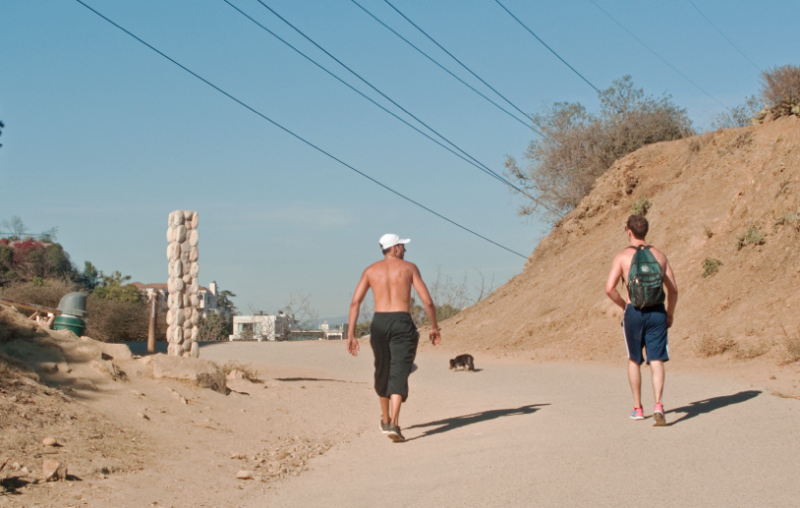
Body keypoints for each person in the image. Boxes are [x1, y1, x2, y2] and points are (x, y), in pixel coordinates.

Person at [347, 234, 441, 442]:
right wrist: (434, 327)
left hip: (379, 323)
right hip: (401, 322)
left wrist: (351, 334)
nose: (405, 251)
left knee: (382, 369)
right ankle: (394, 424)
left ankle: (385, 418)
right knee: (399, 371)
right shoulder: (409, 268)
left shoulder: (370, 271)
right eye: (403, 247)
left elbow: (355, 303)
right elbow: (428, 302)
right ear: (395, 248)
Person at [605, 215, 678, 426]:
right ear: (645, 231)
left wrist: (624, 306)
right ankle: (658, 404)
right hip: (657, 312)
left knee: (634, 359)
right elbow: (673, 289)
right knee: (656, 359)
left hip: (634, 312)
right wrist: (670, 313)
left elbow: (609, 288)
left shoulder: (622, 257)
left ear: (628, 231)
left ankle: (638, 409)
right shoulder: (660, 256)